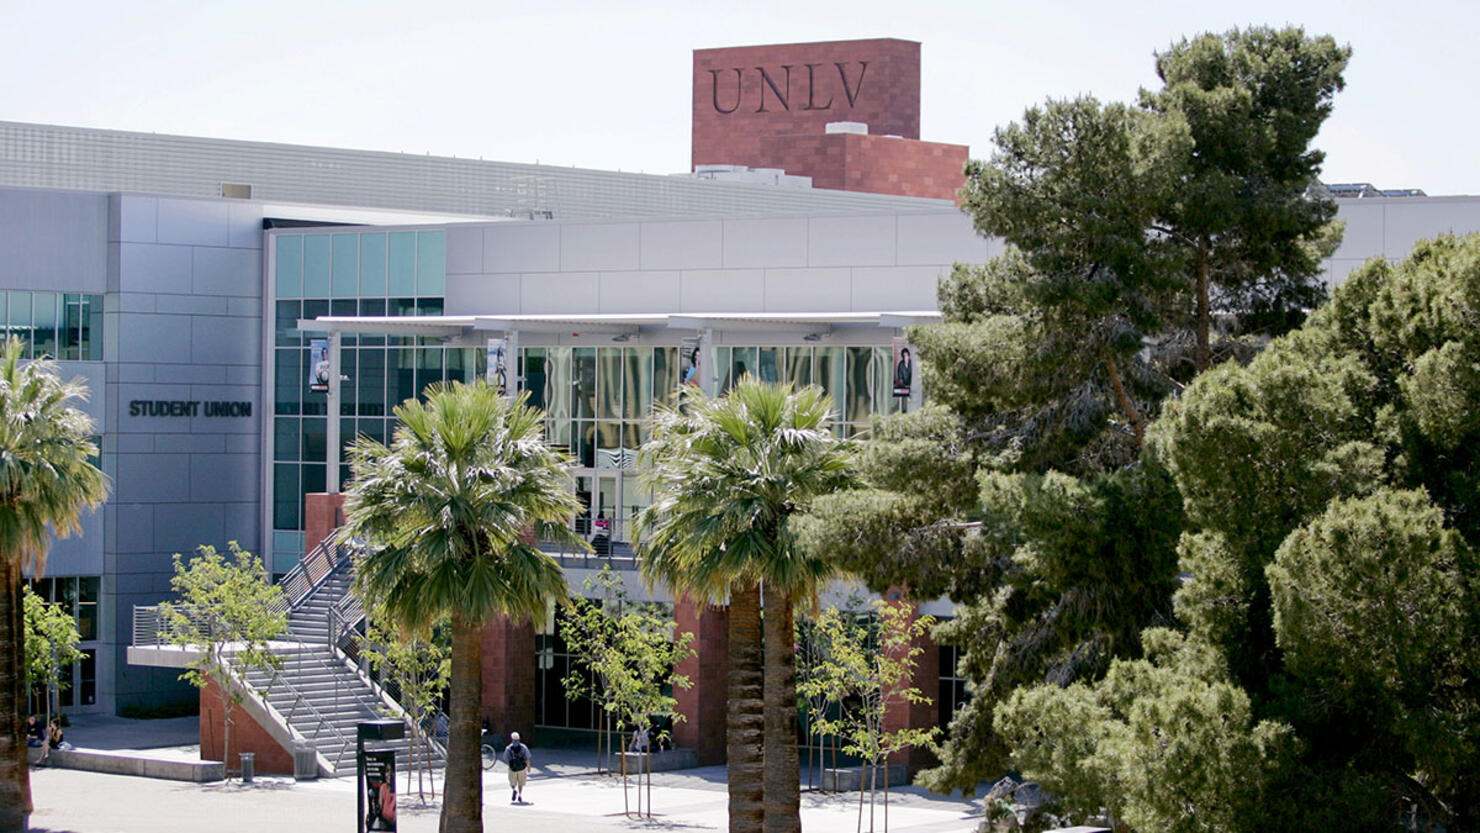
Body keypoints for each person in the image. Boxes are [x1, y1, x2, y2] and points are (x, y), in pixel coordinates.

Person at [504, 731, 532, 803]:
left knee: (512, 782)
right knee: (521, 783)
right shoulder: (523, 747)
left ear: (512, 739)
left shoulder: (508, 748)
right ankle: (520, 795)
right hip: (522, 768)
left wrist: (510, 765)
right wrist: (528, 767)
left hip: (512, 768)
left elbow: (506, 758)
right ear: (519, 739)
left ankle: (514, 790)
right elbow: (527, 758)